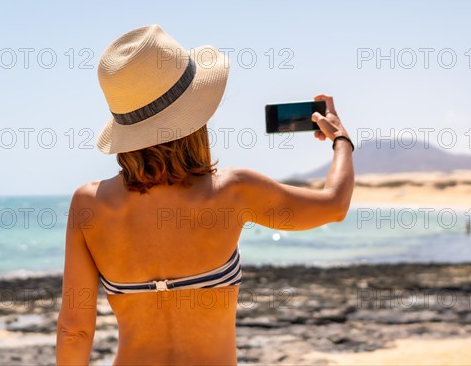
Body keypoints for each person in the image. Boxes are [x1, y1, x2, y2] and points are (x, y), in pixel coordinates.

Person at [56, 24, 355, 365]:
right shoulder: (233, 191)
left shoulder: (89, 204)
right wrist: (341, 141)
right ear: (194, 115)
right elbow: (334, 205)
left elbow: (74, 331)